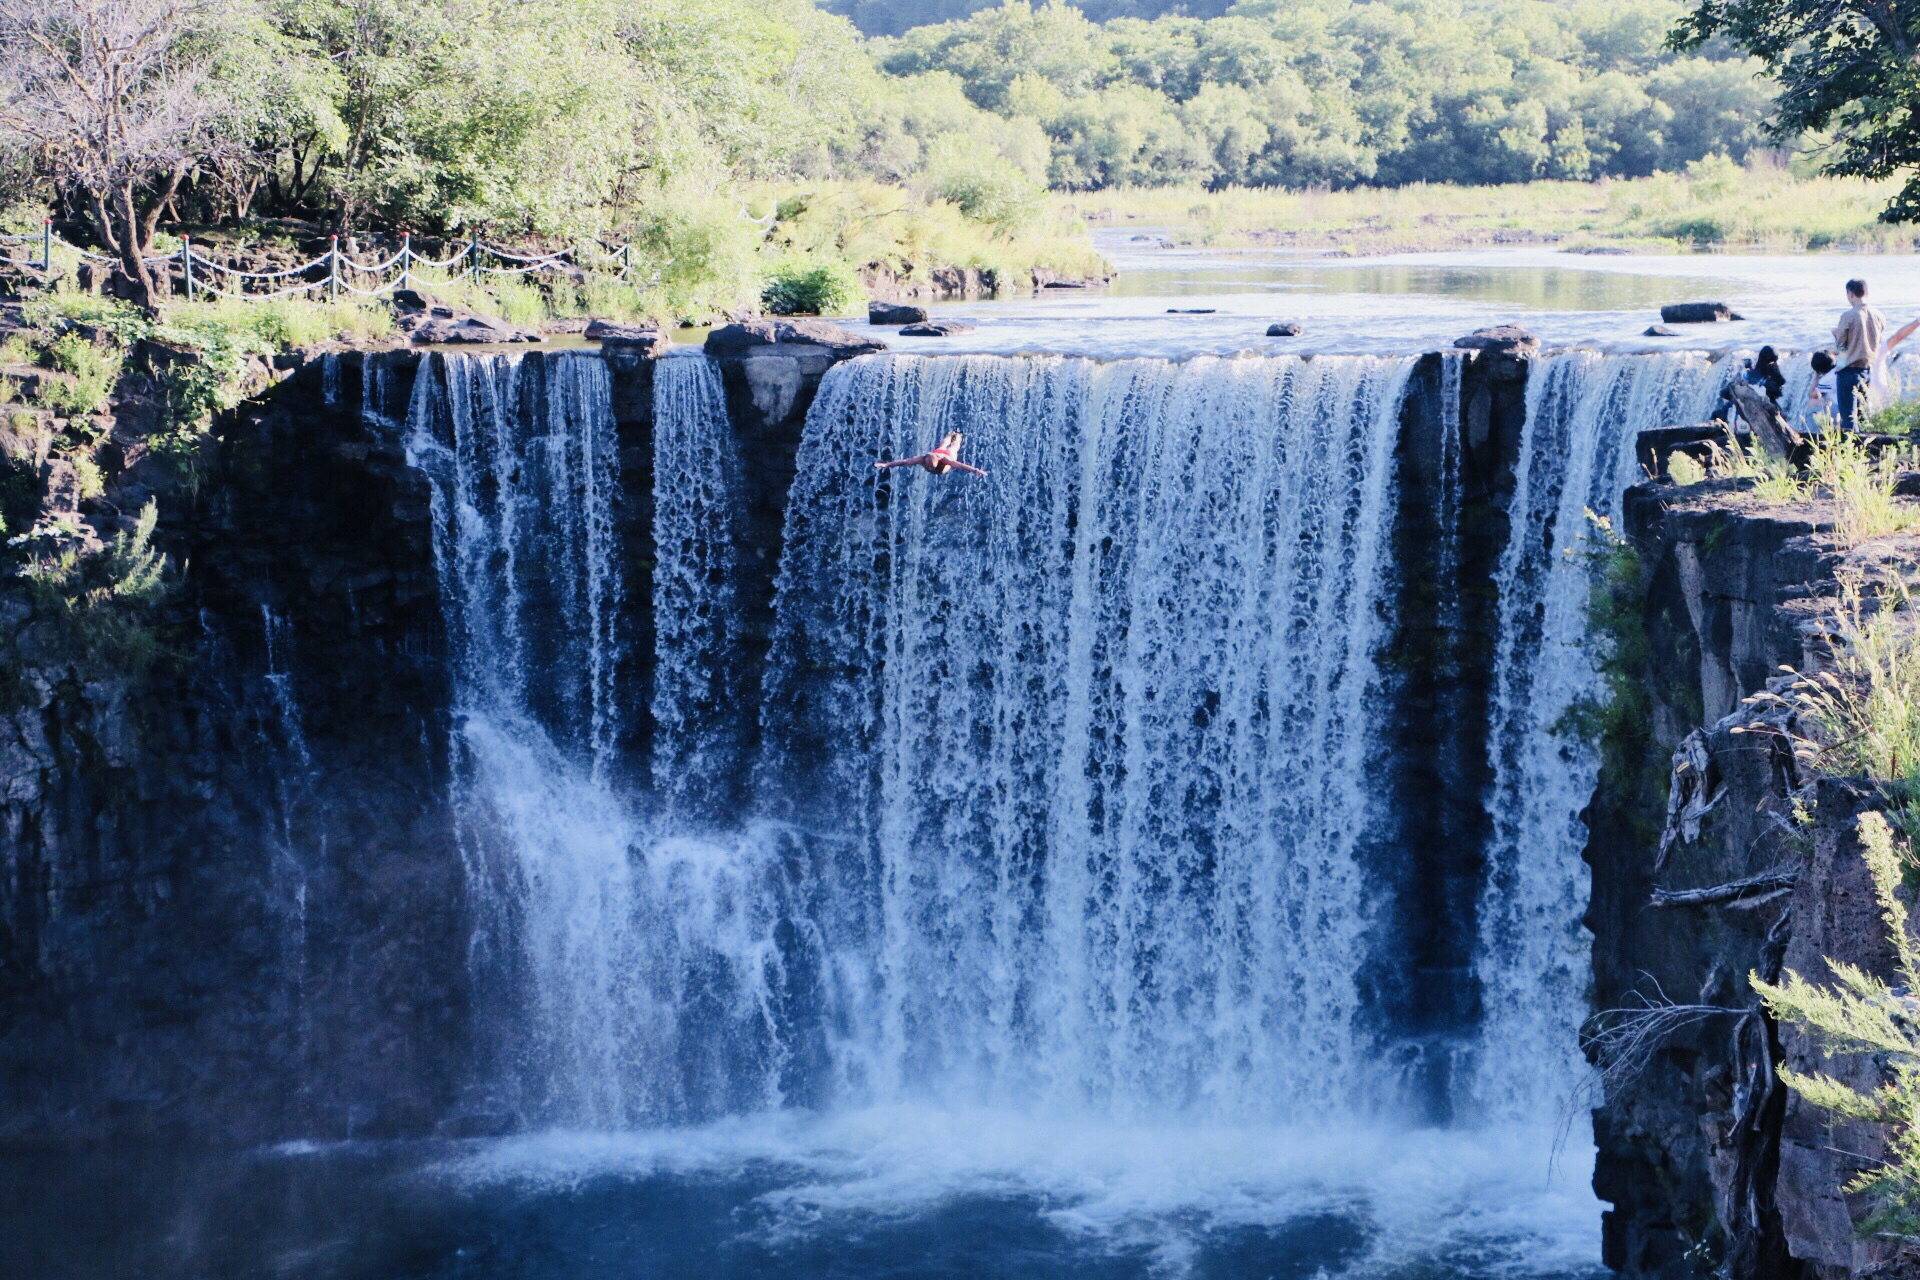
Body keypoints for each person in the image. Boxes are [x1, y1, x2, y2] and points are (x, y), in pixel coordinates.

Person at [1833, 277, 1886, 431]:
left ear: (1850, 294)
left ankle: (1850, 450)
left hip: (1849, 371)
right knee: (1862, 416)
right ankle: (1864, 449)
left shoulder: (1848, 316)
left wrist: (1839, 367)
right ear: (1866, 293)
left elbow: (1841, 347)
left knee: (1849, 419)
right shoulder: (1879, 316)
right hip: (1867, 371)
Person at [874, 430, 988, 478]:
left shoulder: (944, 459)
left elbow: (958, 465)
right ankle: (951, 434)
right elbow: (905, 462)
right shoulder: (923, 458)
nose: (927, 466)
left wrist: (975, 470)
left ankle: (957, 436)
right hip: (938, 453)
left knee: (954, 447)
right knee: (943, 444)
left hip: (945, 459)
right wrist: (887, 464)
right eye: (927, 464)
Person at [1807, 350, 1838, 423]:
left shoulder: (1825, 380)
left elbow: (1812, 395)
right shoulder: (1838, 369)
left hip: (1837, 407)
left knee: (1811, 403)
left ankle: (1812, 428)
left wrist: (1816, 376)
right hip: (1845, 403)